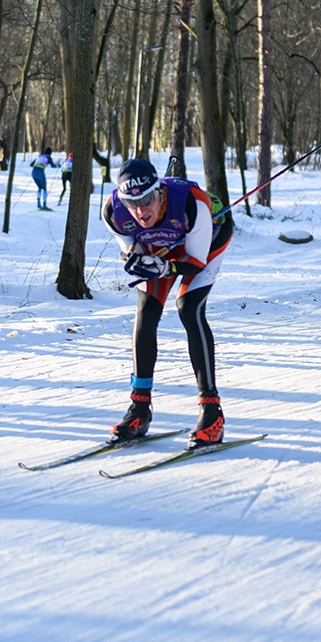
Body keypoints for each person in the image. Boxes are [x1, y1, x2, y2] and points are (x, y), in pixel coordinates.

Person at [103, 158, 233, 449]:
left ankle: (212, 413)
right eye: (131, 202)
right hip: (161, 246)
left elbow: (195, 260)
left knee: (189, 307)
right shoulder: (113, 212)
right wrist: (138, 261)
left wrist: (162, 268)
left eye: (147, 199)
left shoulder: (191, 204)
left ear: (160, 190)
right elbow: (132, 253)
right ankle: (139, 410)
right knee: (146, 311)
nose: (140, 210)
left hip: (207, 241)